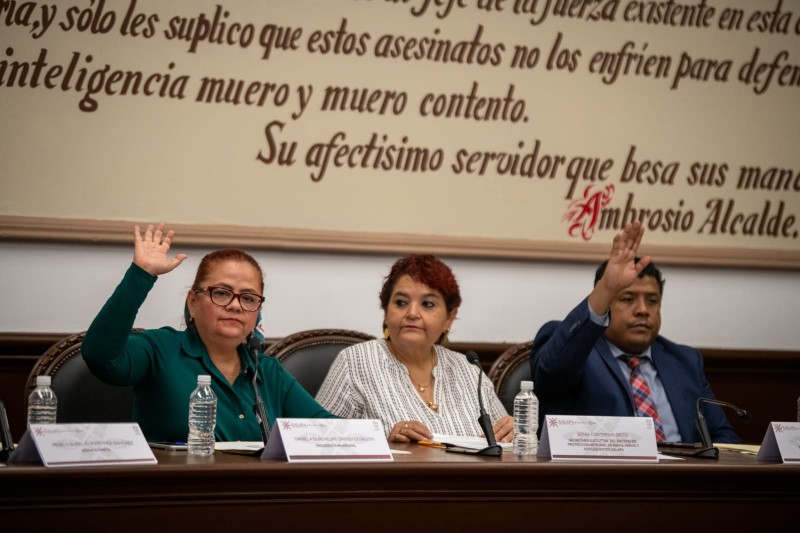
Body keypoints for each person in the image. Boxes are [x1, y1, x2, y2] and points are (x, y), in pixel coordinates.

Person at [82, 223, 334, 443]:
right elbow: (100, 356)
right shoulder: (162, 348)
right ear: (193, 301)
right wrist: (141, 275)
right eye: (222, 293)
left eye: (248, 298)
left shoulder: (267, 371)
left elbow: (329, 430)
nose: (235, 305)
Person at [530, 221, 740, 444]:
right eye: (628, 299)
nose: (643, 310)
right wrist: (606, 289)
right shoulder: (578, 351)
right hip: (608, 465)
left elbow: (724, 437)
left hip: (683, 466)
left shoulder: (685, 361)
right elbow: (550, 374)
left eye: (652, 301)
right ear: (607, 303)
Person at [316, 254, 513, 443]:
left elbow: (505, 439)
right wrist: (385, 444)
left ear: (449, 318)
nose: (412, 313)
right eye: (401, 303)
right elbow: (318, 441)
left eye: (427, 304)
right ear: (386, 312)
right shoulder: (355, 363)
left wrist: (513, 431)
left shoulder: (469, 370)